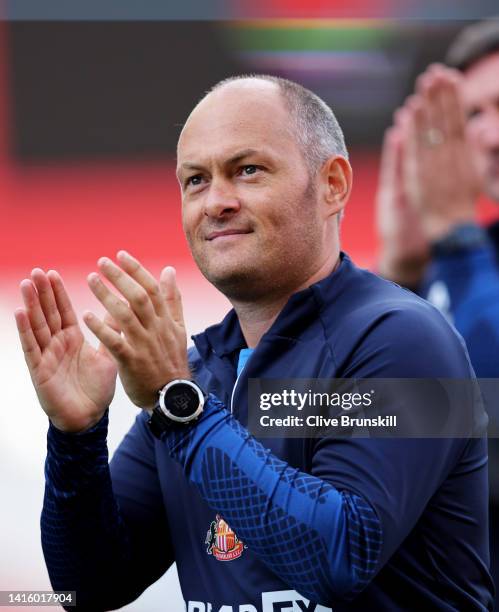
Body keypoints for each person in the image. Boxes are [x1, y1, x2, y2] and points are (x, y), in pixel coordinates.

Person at [15, 75, 493, 611]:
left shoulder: (406, 338)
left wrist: (180, 409)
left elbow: (337, 558)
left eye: (247, 171)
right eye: (195, 180)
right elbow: (87, 589)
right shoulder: (197, 372)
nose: (216, 202)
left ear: (332, 184)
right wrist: (76, 437)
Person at [376, 17, 499, 592]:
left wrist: (454, 238)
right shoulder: (467, 263)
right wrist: (402, 275)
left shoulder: (468, 258)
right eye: (473, 115)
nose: (490, 137)